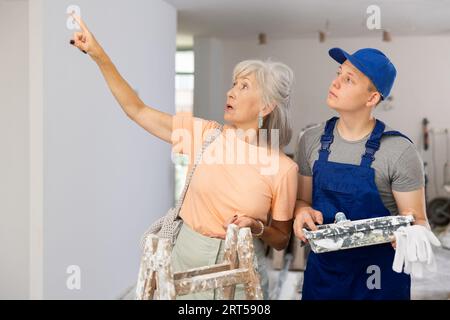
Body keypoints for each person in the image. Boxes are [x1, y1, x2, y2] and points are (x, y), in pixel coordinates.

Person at [69, 14, 298, 299]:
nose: (231, 91)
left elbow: (280, 238)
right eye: (234, 84)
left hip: (241, 278)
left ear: (265, 107)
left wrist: (257, 227)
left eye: (244, 86)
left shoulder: (283, 169)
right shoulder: (202, 134)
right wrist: (98, 55)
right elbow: (136, 110)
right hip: (182, 265)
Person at [293, 47, 430, 300]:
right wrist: (301, 211)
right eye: (338, 73)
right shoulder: (310, 141)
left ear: (372, 99)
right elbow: (303, 201)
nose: (335, 82)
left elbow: (418, 221)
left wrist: (412, 235)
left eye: (348, 79)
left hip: (380, 284)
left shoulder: (400, 151)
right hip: (323, 279)